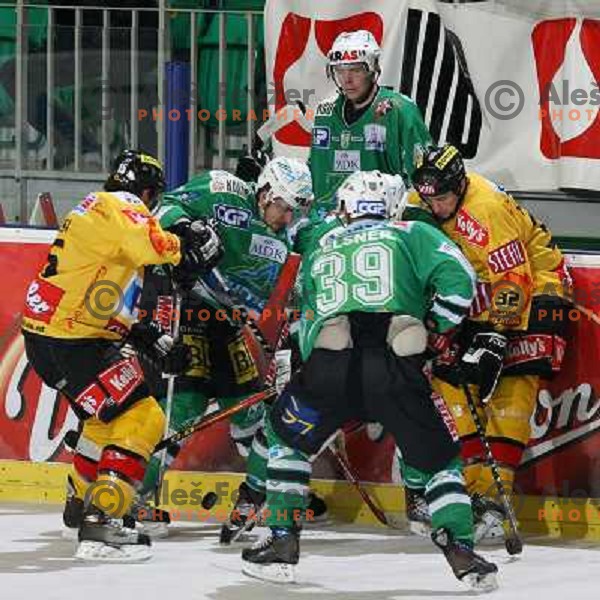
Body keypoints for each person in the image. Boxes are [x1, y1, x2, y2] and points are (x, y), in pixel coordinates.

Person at [241, 170, 499, 593]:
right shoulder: (410, 231)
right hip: (395, 363)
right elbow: (460, 281)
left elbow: (306, 317)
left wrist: (307, 369)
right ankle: (463, 552)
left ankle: (282, 542)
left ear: (344, 209)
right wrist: (435, 330)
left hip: (329, 364)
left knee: (287, 442)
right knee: (439, 460)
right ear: (394, 206)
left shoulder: (323, 245)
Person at [22, 149, 223, 561]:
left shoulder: (92, 210)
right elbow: (150, 243)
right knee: (143, 417)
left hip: (49, 336)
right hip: (73, 341)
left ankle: (80, 507)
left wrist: (139, 332)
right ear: (147, 192)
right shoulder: (122, 203)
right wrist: (184, 246)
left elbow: (89, 293)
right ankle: (103, 524)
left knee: (101, 420)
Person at [131, 156, 323, 541]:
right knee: (185, 406)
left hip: (225, 320)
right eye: (282, 206)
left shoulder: (280, 240)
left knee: (252, 408)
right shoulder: (222, 188)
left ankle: (260, 493)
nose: (285, 217)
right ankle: (134, 492)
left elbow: (257, 298)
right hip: (179, 303)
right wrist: (188, 228)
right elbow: (163, 210)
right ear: (265, 191)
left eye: (293, 211)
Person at [406, 144, 572, 542]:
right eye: (428, 198)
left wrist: (496, 336)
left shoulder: (485, 210)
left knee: (512, 387)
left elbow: (515, 279)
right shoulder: (419, 200)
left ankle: (496, 499)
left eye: (442, 198)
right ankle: (467, 492)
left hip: (539, 289)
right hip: (476, 298)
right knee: (451, 380)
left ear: (460, 184)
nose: (435, 207)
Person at [309, 29, 432, 216]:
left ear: (373, 68)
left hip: (380, 220)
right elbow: (315, 171)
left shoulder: (400, 110)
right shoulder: (325, 112)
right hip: (329, 221)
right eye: (339, 71)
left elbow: (424, 175)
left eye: (355, 70)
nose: (346, 80)